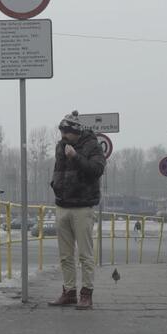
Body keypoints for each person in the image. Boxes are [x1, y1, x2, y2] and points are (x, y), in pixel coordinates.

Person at [48, 110, 106, 310]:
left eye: (66, 132)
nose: (63, 136)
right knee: (65, 255)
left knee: (85, 254)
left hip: (83, 206)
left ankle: (86, 294)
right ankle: (69, 292)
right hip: (62, 205)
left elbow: (97, 170)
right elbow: (58, 170)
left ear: (76, 131)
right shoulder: (61, 146)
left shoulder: (92, 145)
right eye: (61, 132)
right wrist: (55, 185)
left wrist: (76, 157)